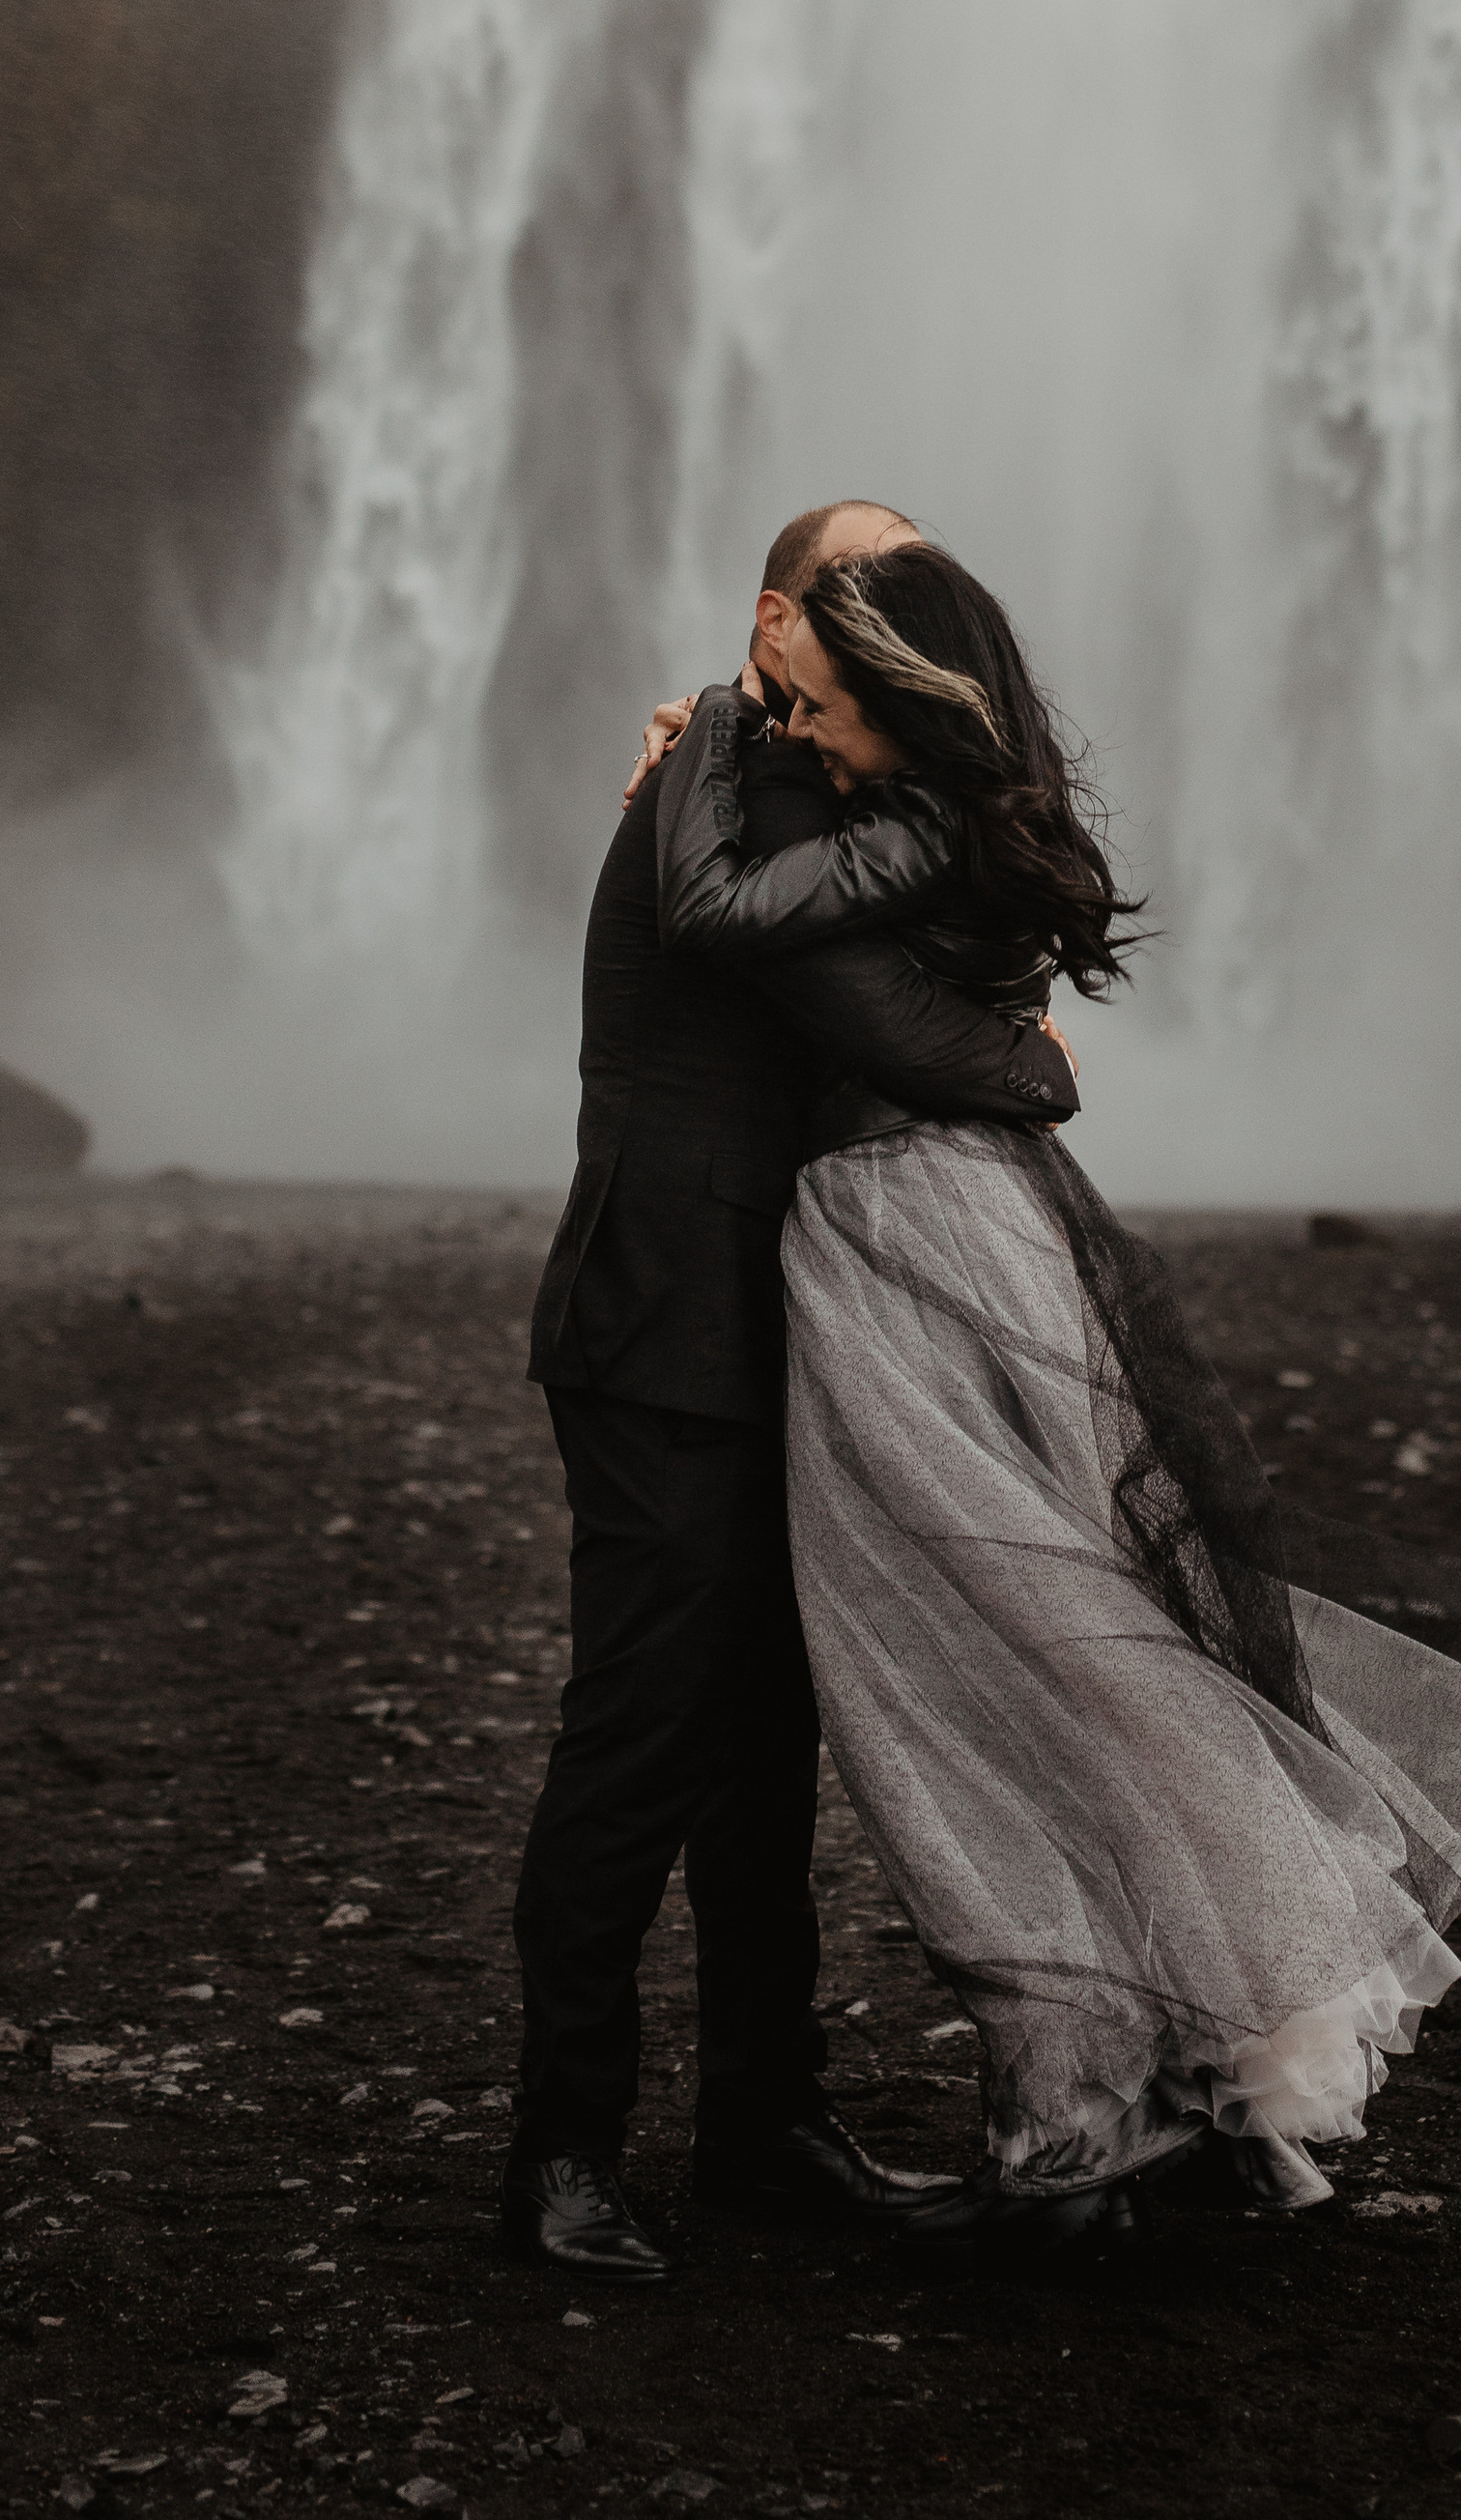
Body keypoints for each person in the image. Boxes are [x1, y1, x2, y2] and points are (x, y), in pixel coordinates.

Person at [649, 540, 1461, 2257]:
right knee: (1068, 1624)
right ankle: (1203, 2062)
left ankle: (1105, 2099)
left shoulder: (898, 826)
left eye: (827, 709)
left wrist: (705, 732)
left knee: (982, 1655)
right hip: (976, 1226)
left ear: (907, 695)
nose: (805, 733)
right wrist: (1026, 1062)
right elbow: (956, 1031)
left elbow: (759, 945)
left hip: (904, 1236)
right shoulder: (962, 812)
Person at [502, 502, 1080, 2283]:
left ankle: (762, 2124)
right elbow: (900, 1032)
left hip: (761, 1327)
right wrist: (1038, 1064)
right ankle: (561, 2154)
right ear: (780, 623)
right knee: (640, 1742)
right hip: (666, 1324)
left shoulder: (794, 784)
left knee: (762, 1752)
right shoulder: (742, 790)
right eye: (846, 589)